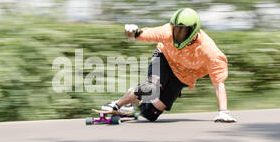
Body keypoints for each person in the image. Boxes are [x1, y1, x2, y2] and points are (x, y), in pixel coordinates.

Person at [101, 8, 237, 123]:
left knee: (150, 114)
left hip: (182, 76)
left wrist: (223, 112)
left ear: (193, 31)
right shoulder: (167, 31)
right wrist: (132, 33)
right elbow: (145, 35)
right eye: (176, 30)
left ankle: (132, 103)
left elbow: (218, 83)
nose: (177, 35)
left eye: (182, 31)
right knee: (152, 88)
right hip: (164, 57)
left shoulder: (208, 49)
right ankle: (117, 104)